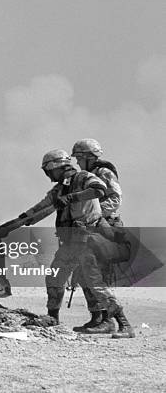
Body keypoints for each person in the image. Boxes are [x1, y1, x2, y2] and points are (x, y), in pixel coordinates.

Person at [18, 149, 127, 333]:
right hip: (70, 244)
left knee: (95, 285)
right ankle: (53, 319)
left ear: (56, 167)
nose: (48, 175)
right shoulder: (60, 188)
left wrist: (72, 197)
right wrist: (19, 220)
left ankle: (124, 325)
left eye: (48, 170)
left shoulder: (84, 177)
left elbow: (99, 190)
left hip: (87, 242)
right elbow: (41, 208)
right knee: (54, 278)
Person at [70, 138, 134, 338]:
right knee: (82, 273)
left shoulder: (103, 173)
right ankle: (97, 317)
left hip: (105, 229)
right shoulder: (88, 175)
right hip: (91, 228)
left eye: (80, 158)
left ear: (89, 157)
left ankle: (111, 321)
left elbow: (115, 199)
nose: (78, 163)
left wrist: (93, 213)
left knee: (98, 275)